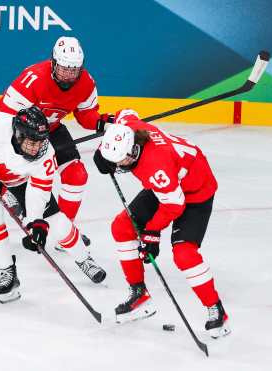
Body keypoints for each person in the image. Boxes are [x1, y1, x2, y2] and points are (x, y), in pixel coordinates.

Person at [0, 36, 114, 255]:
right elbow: (3, 116)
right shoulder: (33, 79)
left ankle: (64, 232)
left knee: (77, 175)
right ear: (53, 63)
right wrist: (6, 148)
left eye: (74, 70)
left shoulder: (86, 82)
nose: (69, 75)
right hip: (20, 133)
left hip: (52, 129)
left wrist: (103, 122)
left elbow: (86, 115)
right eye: (63, 69)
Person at [92, 109, 230, 339]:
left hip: (196, 193)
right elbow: (125, 113)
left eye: (122, 160)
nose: (120, 165)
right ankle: (139, 294)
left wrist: (152, 232)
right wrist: (102, 153)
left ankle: (216, 308)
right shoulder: (130, 129)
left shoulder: (156, 166)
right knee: (121, 227)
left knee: (184, 254)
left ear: (134, 149)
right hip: (169, 188)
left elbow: (175, 206)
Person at [0, 106, 106, 303]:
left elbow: (39, 192)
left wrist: (35, 223)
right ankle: (7, 272)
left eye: (41, 142)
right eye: (31, 142)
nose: (36, 148)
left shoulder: (46, 156)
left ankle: (84, 259)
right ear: (18, 134)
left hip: (18, 180)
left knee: (57, 221)